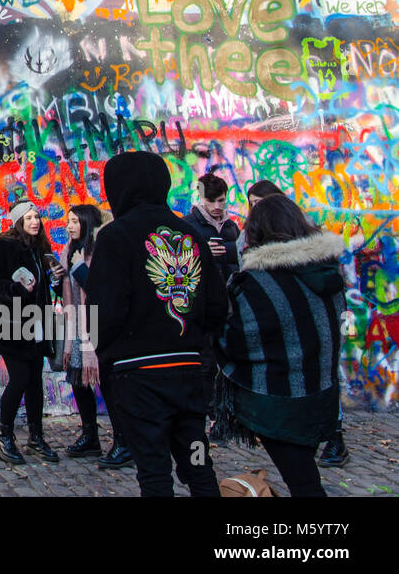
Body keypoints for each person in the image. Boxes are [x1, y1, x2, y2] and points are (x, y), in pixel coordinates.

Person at [84, 151, 227, 497]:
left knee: (154, 469)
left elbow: (104, 311)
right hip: (188, 373)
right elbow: (217, 307)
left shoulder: (116, 237)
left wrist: (108, 354)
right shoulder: (190, 234)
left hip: (139, 377)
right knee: (197, 461)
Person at [216, 195, 346, 497]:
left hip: (279, 402)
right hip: (321, 393)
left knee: (304, 484)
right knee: (304, 477)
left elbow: (236, 341)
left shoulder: (257, 283)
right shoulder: (328, 273)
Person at [0, 199, 61, 464]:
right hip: (11, 324)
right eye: (28, 218)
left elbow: (45, 286)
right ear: (18, 222)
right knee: (20, 378)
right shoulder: (5, 245)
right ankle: (5, 434)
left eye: (37, 217)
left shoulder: (40, 248)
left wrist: (56, 279)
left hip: (36, 323)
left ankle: (36, 437)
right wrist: (16, 290)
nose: (35, 222)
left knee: (35, 380)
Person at [61, 204, 131, 467]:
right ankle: (90, 435)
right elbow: (71, 287)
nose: (69, 226)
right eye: (68, 221)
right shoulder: (69, 250)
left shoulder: (100, 251)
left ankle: (123, 442)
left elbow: (101, 289)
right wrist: (61, 276)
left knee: (109, 385)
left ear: (86, 224)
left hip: (100, 327)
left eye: (74, 222)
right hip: (78, 326)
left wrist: (79, 268)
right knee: (78, 380)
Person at [182, 170, 240, 280]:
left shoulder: (232, 226)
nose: (217, 206)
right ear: (200, 198)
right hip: (204, 291)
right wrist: (200, 251)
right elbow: (176, 261)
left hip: (233, 291)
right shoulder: (186, 225)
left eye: (221, 200)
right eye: (211, 201)